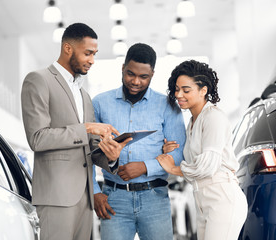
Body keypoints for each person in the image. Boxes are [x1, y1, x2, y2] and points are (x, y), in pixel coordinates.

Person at [21, 23, 130, 240]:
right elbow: (37, 138)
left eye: (94, 54)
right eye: (87, 53)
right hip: (56, 197)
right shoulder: (38, 80)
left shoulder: (84, 96)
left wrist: (111, 156)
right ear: (68, 48)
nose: (92, 60)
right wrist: (87, 128)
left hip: (85, 198)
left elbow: (88, 147)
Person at [92, 43, 186, 240]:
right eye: (130, 74)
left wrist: (145, 167)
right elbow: (88, 152)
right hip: (114, 198)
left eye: (143, 77)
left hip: (155, 198)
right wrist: (94, 191)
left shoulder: (168, 106)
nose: (135, 81)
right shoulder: (100, 103)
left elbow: (179, 153)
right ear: (123, 68)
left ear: (152, 74)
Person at [156, 60, 247, 240]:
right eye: (176, 89)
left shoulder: (213, 117)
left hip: (221, 197)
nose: (179, 94)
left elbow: (207, 166)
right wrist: (168, 151)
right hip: (201, 199)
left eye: (186, 90)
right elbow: (194, 163)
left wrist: (173, 169)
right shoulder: (192, 122)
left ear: (203, 90)